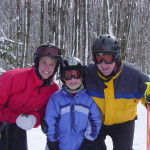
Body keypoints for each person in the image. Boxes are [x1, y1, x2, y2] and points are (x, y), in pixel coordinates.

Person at [85, 34, 150, 150]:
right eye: (98, 58)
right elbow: (71, 85)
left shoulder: (134, 75)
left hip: (124, 123)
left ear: (117, 57)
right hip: (97, 122)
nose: (103, 64)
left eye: (108, 58)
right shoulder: (88, 73)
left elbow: (148, 88)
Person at [0, 43, 62, 150]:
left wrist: (34, 119)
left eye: (52, 64)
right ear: (37, 63)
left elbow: (44, 114)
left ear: (56, 67)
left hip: (17, 129)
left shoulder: (53, 90)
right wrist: (12, 117)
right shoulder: (13, 77)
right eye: (44, 62)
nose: (47, 67)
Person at [45, 57, 102, 150]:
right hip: (60, 145)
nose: (73, 79)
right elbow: (50, 121)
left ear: (82, 75)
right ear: (62, 77)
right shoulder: (56, 98)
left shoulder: (89, 98)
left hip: (82, 145)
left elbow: (95, 121)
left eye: (76, 74)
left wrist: (88, 142)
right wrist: (53, 142)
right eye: (68, 75)